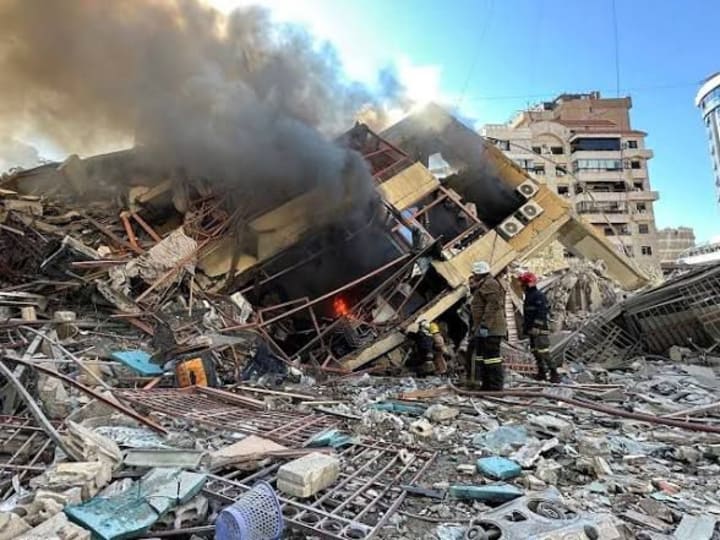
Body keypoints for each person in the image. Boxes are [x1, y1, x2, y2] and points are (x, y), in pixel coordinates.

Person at [468, 260, 506, 390]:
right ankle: (487, 384)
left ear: (480, 273)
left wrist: (485, 326)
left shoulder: (490, 284)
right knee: (484, 357)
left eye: (475, 273)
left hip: (492, 328)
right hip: (485, 327)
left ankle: (495, 386)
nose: (473, 275)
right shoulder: (484, 284)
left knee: (492, 357)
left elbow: (492, 306)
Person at [519, 271, 559, 383]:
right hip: (532, 330)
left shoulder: (538, 296)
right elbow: (529, 314)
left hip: (539, 330)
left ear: (528, 284)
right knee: (535, 352)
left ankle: (554, 373)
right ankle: (541, 373)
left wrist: (537, 326)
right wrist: (527, 328)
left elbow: (542, 312)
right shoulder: (529, 296)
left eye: (523, 284)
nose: (521, 286)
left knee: (544, 352)